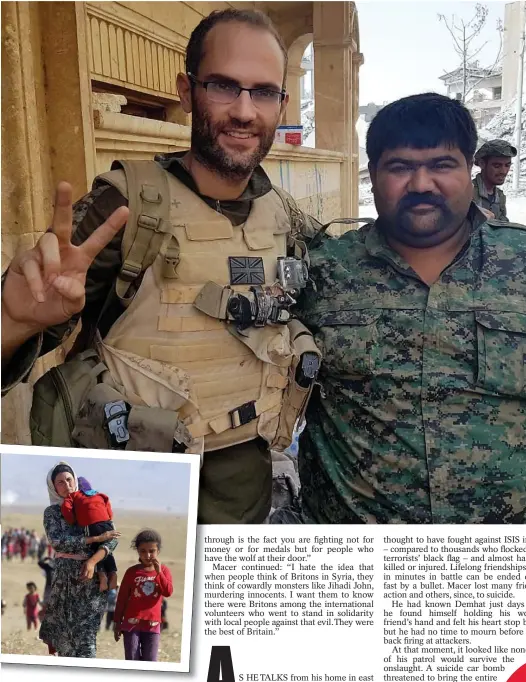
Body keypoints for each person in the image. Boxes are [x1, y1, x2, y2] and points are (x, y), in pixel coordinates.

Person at [0, 9, 321, 525]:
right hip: (135, 495)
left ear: (282, 104)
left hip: (245, 497)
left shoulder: (283, 215)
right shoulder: (128, 205)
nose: (244, 110)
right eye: (223, 86)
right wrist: (16, 320)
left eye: (263, 92)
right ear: (186, 90)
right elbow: (32, 320)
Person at [297, 92, 526, 524]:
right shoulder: (322, 273)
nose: (421, 184)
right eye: (400, 167)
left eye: (442, 165)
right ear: (373, 175)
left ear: (468, 170)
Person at [38, 462, 120, 657]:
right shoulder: (52, 513)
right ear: (53, 486)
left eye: (69, 480)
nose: (66, 485)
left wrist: (92, 561)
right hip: (64, 583)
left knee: (86, 640)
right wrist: (93, 539)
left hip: (92, 583)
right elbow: (58, 542)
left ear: (75, 480)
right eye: (60, 482)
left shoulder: (91, 502)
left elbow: (111, 539)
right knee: (66, 642)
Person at [114, 529, 173, 662]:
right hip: (131, 624)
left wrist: (159, 574)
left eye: (152, 551)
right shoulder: (132, 572)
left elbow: (168, 592)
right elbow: (122, 598)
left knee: (150, 662)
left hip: (153, 625)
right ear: (138, 552)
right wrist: (117, 622)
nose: (147, 555)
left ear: (158, 551)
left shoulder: (164, 571)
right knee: (132, 660)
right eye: (143, 551)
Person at [61, 476, 118, 590]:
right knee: (106, 550)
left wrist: (73, 519)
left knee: (95, 549)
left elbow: (66, 508)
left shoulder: (75, 495)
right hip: (107, 524)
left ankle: (102, 577)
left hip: (91, 525)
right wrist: (108, 519)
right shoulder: (100, 494)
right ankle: (113, 574)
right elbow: (108, 506)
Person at [472, 139, 517, 222]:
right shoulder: (466, 192)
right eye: (497, 166)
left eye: (507, 165)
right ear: (482, 164)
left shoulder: (500, 196)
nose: (503, 171)